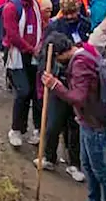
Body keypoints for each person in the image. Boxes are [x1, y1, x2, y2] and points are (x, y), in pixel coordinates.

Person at [41, 40, 106, 201]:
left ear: (59, 55)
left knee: (100, 169)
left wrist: (55, 85)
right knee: (88, 166)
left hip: (94, 122)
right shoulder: (86, 50)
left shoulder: (80, 65)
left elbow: (78, 97)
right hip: (88, 119)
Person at [2, 0, 48, 148]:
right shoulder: (11, 8)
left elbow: (41, 25)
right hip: (17, 55)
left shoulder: (35, 4)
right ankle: (16, 129)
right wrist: (30, 49)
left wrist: (40, 45)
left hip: (34, 54)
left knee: (37, 92)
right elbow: (13, 35)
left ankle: (36, 128)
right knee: (23, 92)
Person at [36, 32, 87, 183]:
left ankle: (74, 164)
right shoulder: (50, 56)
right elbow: (42, 69)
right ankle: (49, 157)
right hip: (57, 95)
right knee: (52, 126)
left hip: (74, 96)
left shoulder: (79, 60)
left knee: (74, 129)